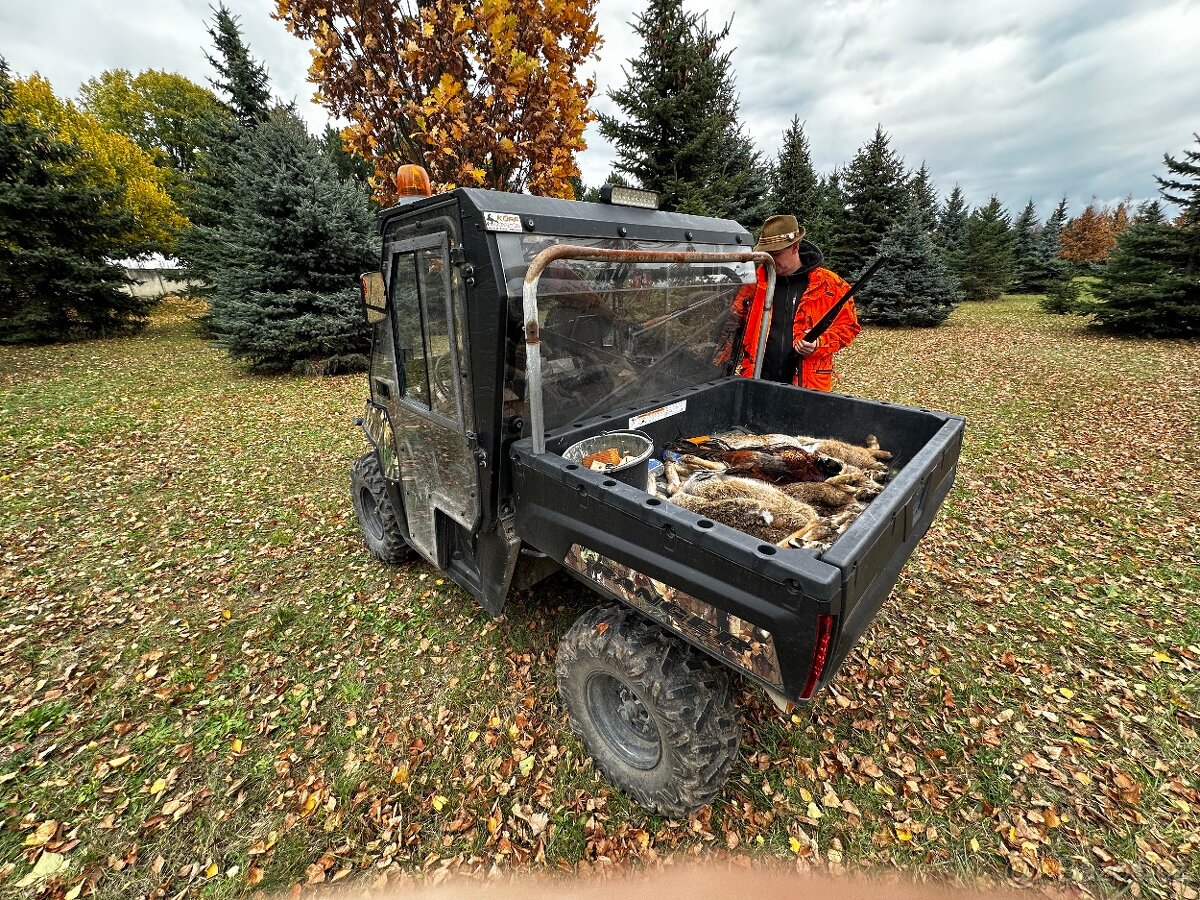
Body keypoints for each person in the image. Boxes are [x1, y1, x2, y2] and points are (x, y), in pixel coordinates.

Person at [718, 214, 860, 391]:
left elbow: (848, 327)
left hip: (807, 386)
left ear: (795, 247)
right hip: (757, 380)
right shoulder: (755, 283)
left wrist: (819, 343)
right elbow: (732, 326)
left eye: (775, 254)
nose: (769, 260)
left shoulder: (830, 285)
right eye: (766, 254)